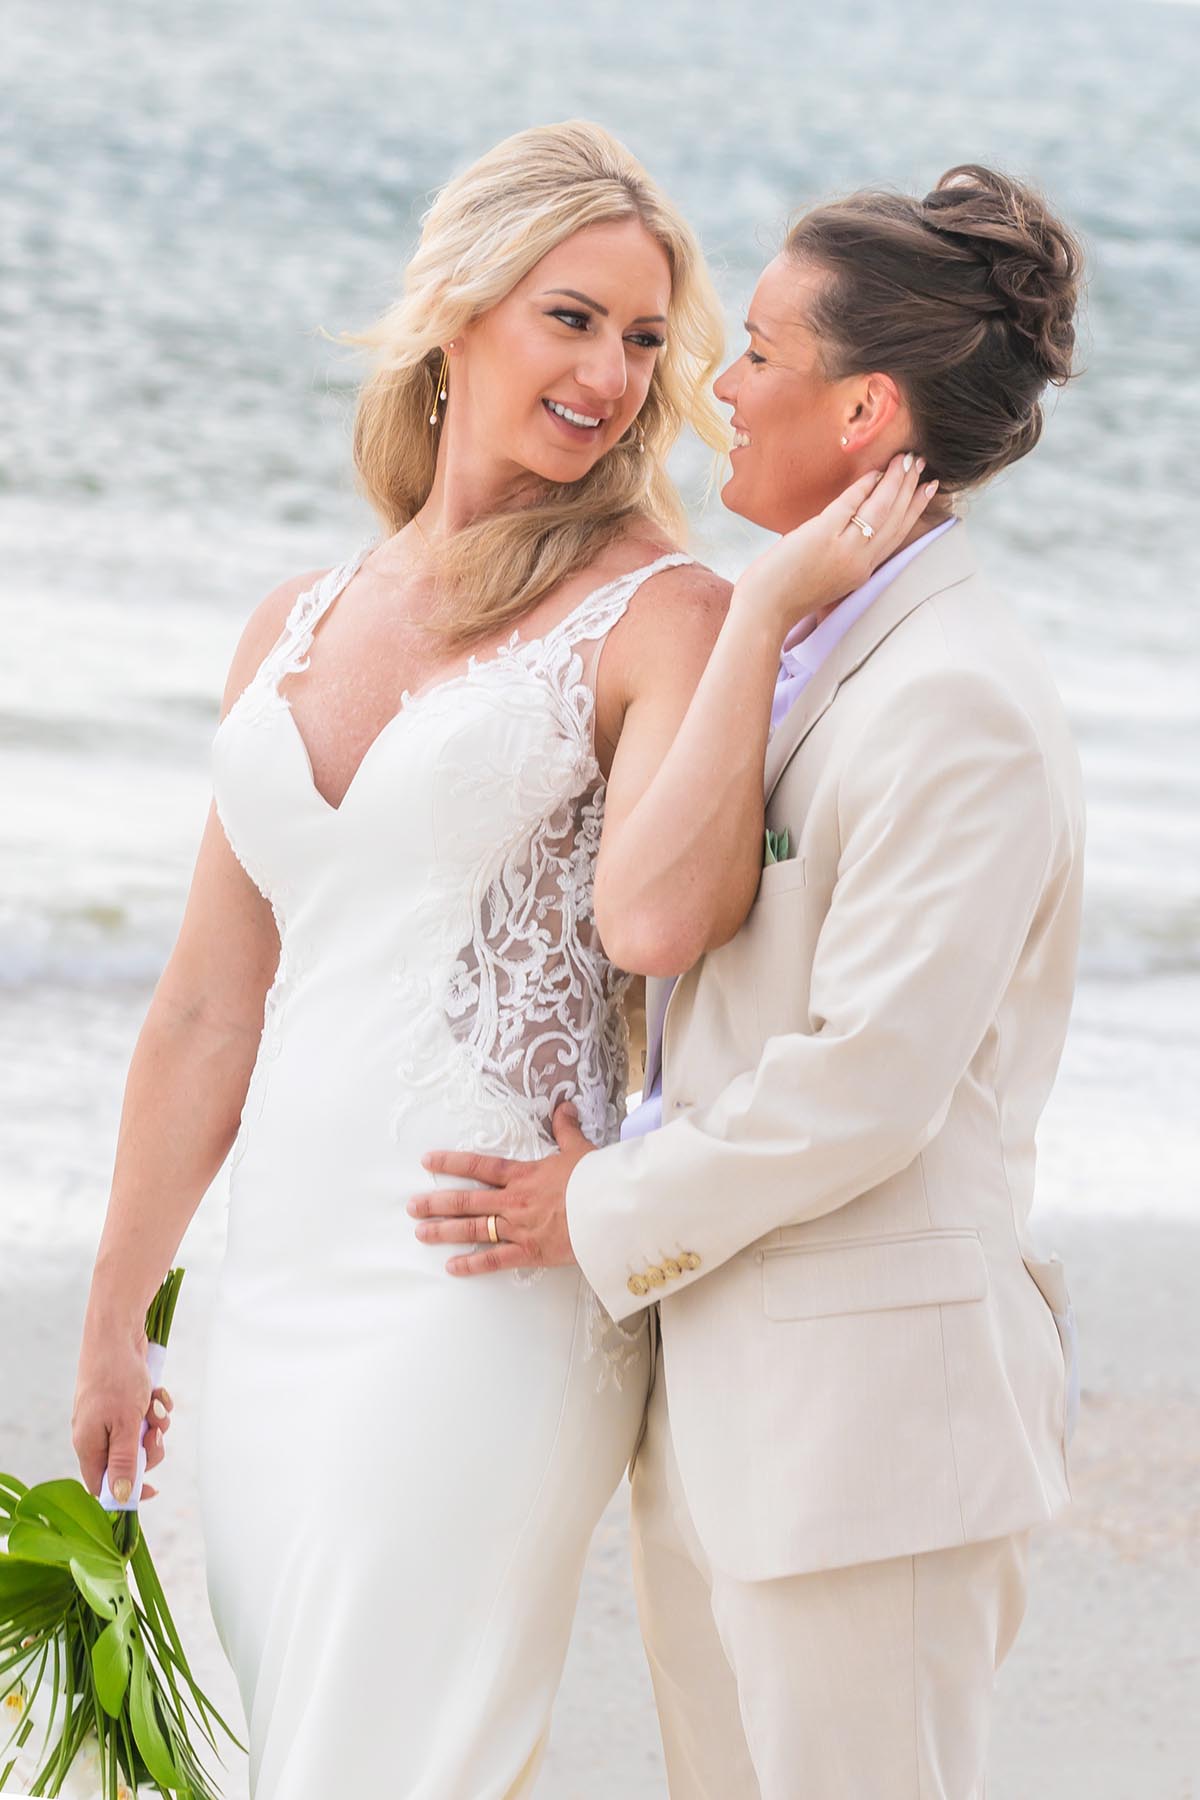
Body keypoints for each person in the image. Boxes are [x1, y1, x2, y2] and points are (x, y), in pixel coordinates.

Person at [69, 121, 922, 1797]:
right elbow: (207, 1008)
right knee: (264, 1742)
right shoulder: (293, 622)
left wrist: (759, 615)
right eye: (572, 318)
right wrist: (118, 1308)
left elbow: (665, 924)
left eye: (648, 338)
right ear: (457, 314)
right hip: (266, 1288)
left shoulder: (665, 611)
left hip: (479, 1288)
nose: (613, 375)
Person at [412, 164, 1087, 1799]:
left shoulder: (954, 702)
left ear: (863, 412)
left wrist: (594, 1207)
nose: (713, 384)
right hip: (734, 1419)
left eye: (760, 351)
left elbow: (869, 1085)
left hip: (869, 1446)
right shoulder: (804, 651)